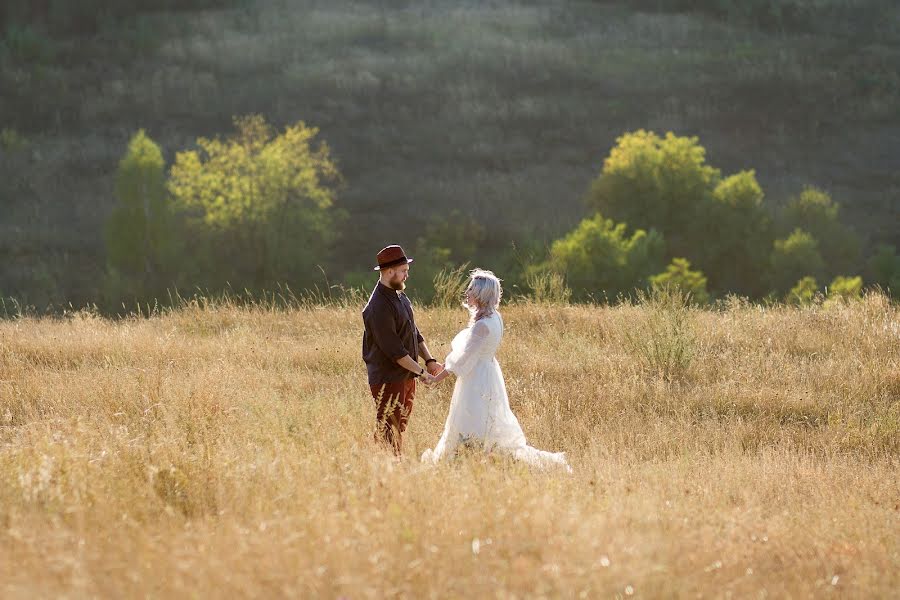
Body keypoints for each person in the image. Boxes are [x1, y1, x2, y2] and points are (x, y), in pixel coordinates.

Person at [422, 268, 572, 472]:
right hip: (488, 372)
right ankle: (478, 461)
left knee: (471, 420)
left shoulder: (482, 325)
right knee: (485, 420)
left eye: (472, 289)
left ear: (482, 294)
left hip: (477, 379)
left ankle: (468, 462)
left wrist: (436, 378)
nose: (467, 292)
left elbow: (462, 360)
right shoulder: (496, 317)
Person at [362, 245, 443, 455]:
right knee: (389, 430)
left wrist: (430, 360)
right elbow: (396, 352)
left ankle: (390, 466)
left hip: (407, 375)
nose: (408, 274)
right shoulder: (378, 307)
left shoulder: (400, 296)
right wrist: (423, 373)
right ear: (389, 272)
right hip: (389, 378)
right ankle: (385, 469)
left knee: (399, 427)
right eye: (404, 270)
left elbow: (414, 332)